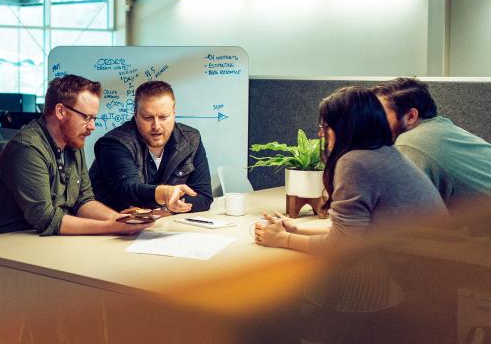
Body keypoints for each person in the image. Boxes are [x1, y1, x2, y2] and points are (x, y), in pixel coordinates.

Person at [254, 86, 446, 253]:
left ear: (345, 127)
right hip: (433, 259)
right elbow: (356, 231)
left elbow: (342, 246)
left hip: (413, 271)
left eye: (325, 125)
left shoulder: (355, 162)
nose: (321, 133)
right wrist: (296, 230)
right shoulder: (383, 153)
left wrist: (282, 240)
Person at [0, 75, 147, 238]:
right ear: (61, 111)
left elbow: (83, 200)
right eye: (87, 117)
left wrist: (119, 220)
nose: (92, 126)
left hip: (38, 241)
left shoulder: (73, 143)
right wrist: (113, 227)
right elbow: (47, 219)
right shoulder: (27, 148)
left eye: (94, 118)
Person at [90, 80, 212, 214]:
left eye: (163, 117)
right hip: (108, 229)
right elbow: (129, 191)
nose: (156, 126)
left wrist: (163, 208)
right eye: (148, 117)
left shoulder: (191, 139)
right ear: (135, 114)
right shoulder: (114, 143)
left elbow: (203, 197)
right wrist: (166, 195)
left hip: (161, 228)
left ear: (174, 113)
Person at [372, 77, 491, 212]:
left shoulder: (411, 143)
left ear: (411, 116)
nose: (373, 121)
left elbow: (406, 211)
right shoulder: (441, 127)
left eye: (380, 115)